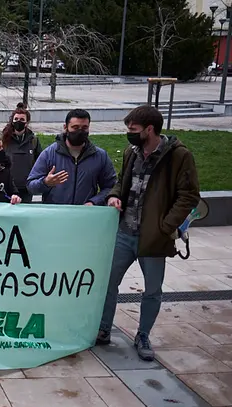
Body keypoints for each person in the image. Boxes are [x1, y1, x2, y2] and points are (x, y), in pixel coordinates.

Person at [98, 105, 200, 361]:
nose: (129, 134)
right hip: (124, 232)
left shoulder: (178, 156)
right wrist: (113, 197)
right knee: (107, 283)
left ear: (149, 129)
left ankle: (142, 335)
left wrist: (165, 227)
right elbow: (123, 181)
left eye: (133, 130)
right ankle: (103, 328)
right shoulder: (132, 152)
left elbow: (189, 195)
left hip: (154, 237)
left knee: (152, 290)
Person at [26, 109, 117, 205]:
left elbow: (110, 187)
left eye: (84, 128)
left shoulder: (100, 156)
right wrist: (45, 183)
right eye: (75, 127)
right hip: (55, 214)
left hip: (85, 214)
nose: (80, 131)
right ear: (65, 127)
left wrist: (93, 202)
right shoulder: (49, 154)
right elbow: (31, 187)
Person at [2, 103, 41, 203]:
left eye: (22, 120)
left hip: (26, 187)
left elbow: (39, 162)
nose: (18, 122)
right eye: (16, 119)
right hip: (8, 186)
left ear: (27, 123)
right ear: (12, 121)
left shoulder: (33, 140)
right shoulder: (3, 140)